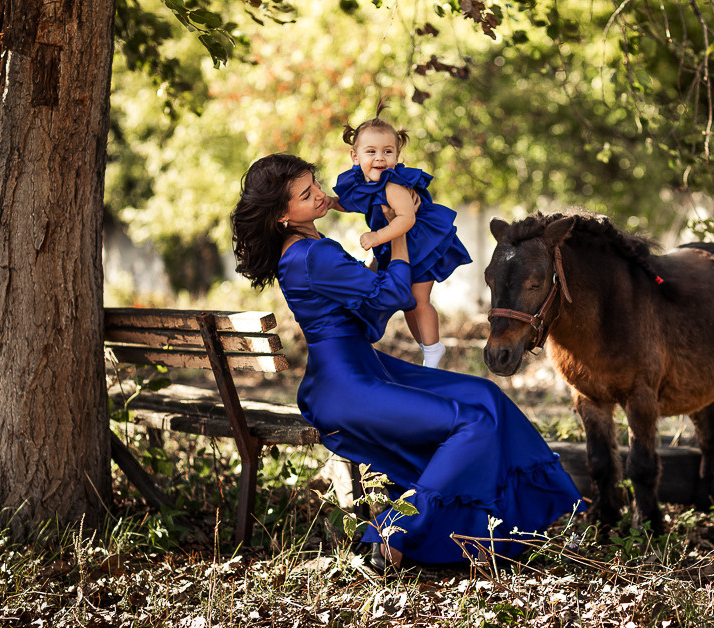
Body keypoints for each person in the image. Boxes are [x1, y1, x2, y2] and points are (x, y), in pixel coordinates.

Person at [231, 153, 583, 568]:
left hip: (362, 371)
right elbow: (395, 296)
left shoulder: (309, 250)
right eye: (306, 195)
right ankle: (390, 533)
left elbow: (369, 318)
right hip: (348, 388)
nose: (321, 197)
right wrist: (400, 229)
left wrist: (385, 244)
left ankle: (496, 527)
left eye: (316, 184)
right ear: (281, 216)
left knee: (485, 395)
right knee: (471, 422)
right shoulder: (312, 256)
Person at [333, 105, 471, 369]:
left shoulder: (394, 183)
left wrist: (376, 237)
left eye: (388, 152)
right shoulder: (363, 182)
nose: (380, 159)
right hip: (401, 246)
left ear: (397, 155)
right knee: (407, 302)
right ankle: (426, 347)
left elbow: (406, 219)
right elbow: (352, 202)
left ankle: (433, 350)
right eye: (371, 152)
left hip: (422, 245)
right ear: (355, 156)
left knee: (419, 300)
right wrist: (330, 202)